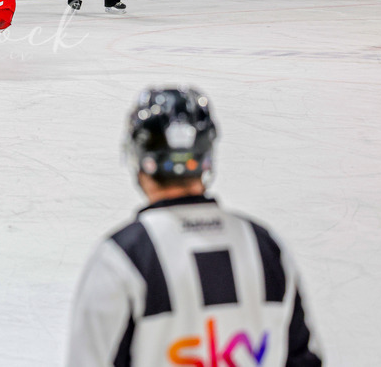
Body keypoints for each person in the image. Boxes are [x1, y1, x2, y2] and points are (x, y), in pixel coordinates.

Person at [67, 86, 323, 367]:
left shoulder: (121, 258)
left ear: (138, 158)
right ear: (206, 159)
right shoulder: (265, 248)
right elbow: (304, 359)